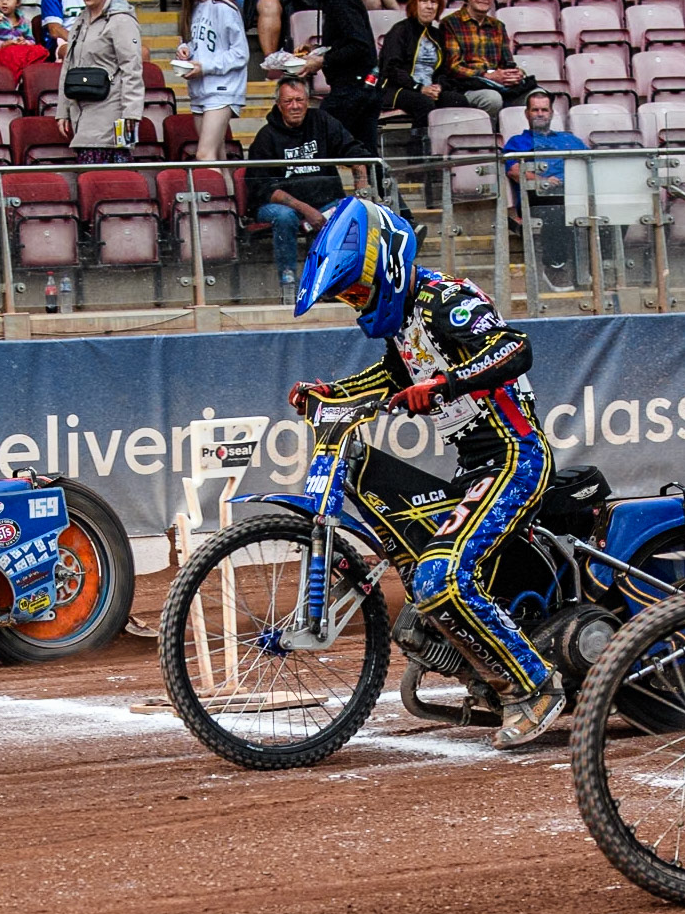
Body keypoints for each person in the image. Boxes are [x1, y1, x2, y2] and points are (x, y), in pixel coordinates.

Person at [288, 199, 565, 749]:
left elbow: (515, 348)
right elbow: (393, 375)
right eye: (346, 299)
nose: (353, 306)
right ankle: (486, 680)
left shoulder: (447, 299)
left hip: (516, 457)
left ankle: (536, 687)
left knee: (440, 578)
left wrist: (447, 387)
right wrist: (331, 394)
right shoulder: (406, 324)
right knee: (420, 599)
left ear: (384, 267)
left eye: (355, 294)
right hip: (474, 469)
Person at [245, 78, 371, 292]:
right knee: (285, 216)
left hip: (324, 202)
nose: (295, 106)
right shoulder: (266, 137)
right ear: (278, 104)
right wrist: (305, 210)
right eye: (288, 101)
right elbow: (262, 188)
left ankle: (338, 281)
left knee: (352, 211)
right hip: (280, 207)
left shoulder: (322, 122)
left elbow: (354, 152)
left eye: (299, 100)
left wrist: (363, 192)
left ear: (307, 101)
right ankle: (289, 283)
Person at [296, 0, 381, 157]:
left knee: (317, 140)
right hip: (360, 87)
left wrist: (322, 61)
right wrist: (317, 51)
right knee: (363, 153)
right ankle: (376, 188)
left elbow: (360, 46)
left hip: (353, 88)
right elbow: (350, 42)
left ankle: (328, 189)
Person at [55, 0, 143, 164]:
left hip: (113, 109)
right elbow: (68, 65)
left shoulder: (121, 21)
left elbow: (132, 67)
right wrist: (62, 110)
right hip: (82, 107)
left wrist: (132, 112)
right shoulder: (80, 20)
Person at [502, 90, 588, 292]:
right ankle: (554, 266)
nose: (540, 114)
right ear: (527, 114)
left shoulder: (570, 140)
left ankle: (602, 265)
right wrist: (544, 181)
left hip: (575, 194)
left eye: (544, 110)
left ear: (551, 113)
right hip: (539, 198)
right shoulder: (517, 142)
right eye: (535, 110)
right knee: (556, 211)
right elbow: (514, 170)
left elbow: (590, 163)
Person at [378, 0, 485, 128]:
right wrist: (419, 88)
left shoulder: (437, 35)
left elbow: (443, 71)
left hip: (429, 88)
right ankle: (419, 147)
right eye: (424, 1)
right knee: (423, 103)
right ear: (415, 4)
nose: (429, 6)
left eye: (434, 2)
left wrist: (439, 86)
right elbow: (392, 69)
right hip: (399, 89)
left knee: (457, 100)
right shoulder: (400, 31)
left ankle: (449, 143)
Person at [178, 0, 247, 163]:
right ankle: (229, 195)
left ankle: (215, 196)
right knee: (217, 156)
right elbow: (205, 45)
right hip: (200, 90)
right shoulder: (195, 7)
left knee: (204, 155)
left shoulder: (225, 8)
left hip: (222, 90)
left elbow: (240, 53)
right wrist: (185, 49)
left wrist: (205, 66)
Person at [440, 0, 536, 115]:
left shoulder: (498, 26)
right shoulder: (450, 23)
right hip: (466, 86)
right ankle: (491, 136)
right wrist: (487, 75)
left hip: (499, 85)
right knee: (492, 99)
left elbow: (508, 62)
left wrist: (514, 74)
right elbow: (454, 67)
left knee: (538, 97)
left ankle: (531, 138)